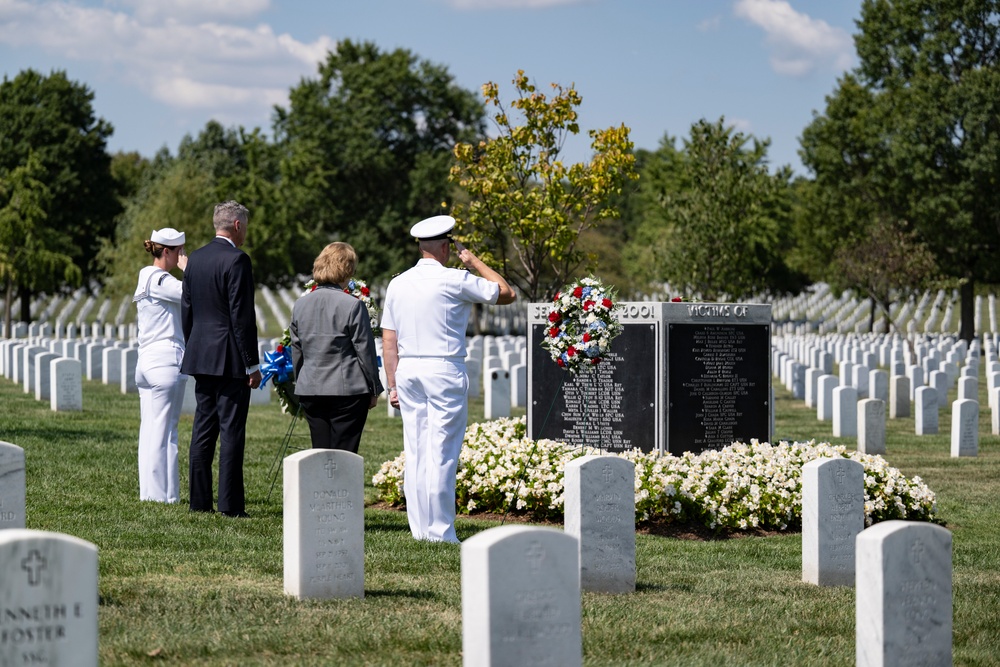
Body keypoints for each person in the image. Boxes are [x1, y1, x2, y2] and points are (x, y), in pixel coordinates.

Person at [381, 215, 517, 543]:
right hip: (442, 369)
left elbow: (389, 337)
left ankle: (420, 529)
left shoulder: (398, 283)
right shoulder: (455, 279)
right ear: (446, 247)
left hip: (409, 370)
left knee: (416, 450)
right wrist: (474, 261)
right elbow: (506, 292)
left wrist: (393, 383)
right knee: (441, 451)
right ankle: (440, 532)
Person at [180, 201, 261, 518]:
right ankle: (230, 506)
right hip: (229, 357)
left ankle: (199, 502)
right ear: (238, 226)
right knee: (230, 432)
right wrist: (251, 364)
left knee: (202, 429)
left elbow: (187, 310)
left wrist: (195, 345)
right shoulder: (238, 260)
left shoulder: (195, 260)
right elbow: (242, 316)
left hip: (201, 354)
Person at [290, 242, 383, 452]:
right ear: (347, 269)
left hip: (311, 389)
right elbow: (364, 350)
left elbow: (298, 350)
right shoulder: (352, 305)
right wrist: (374, 388)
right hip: (347, 391)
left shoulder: (300, 305)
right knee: (344, 456)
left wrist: (301, 380)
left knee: (320, 452)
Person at [133, 227, 188, 503]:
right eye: (178, 251)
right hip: (165, 359)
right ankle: (163, 497)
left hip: (145, 361)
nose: (181, 256)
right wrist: (188, 269)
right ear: (165, 251)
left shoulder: (144, 276)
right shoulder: (162, 280)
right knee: (166, 431)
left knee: (150, 430)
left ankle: (150, 494)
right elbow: (192, 293)